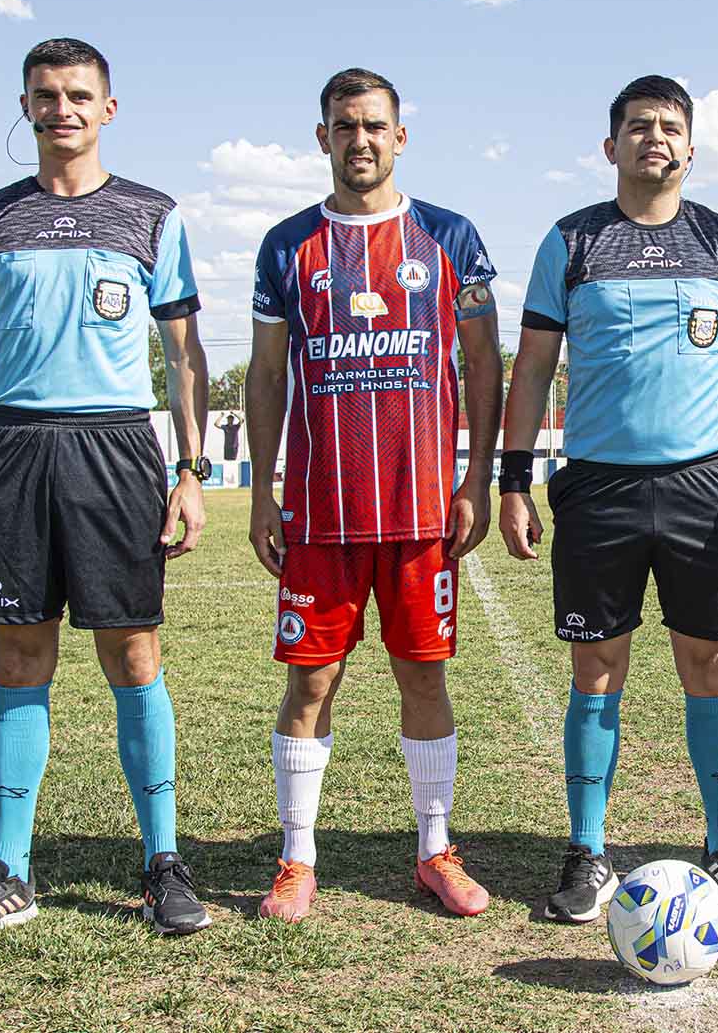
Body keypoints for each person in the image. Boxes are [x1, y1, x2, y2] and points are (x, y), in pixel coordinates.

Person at [0, 37, 212, 943]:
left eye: (79, 95)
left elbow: (185, 360)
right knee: (19, 661)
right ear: (26, 105)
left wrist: (191, 472)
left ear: (108, 109)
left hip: (116, 449)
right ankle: (9, 870)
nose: (61, 109)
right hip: (12, 448)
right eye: (45, 95)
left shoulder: (153, 215)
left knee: (133, 657)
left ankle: (163, 859)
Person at [498, 75, 718, 923]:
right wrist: (513, 478)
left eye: (671, 127)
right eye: (638, 127)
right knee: (596, 669)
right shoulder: (572, 241)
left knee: (709, 665)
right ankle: (588, 848)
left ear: (691, 149)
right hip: (597, 486)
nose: (654, 139)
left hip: (705, 485)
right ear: (612, 147)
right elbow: (531, 369)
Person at [245, 69, 503, 922]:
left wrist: (475, 477)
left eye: (376, 126)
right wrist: (260, 492)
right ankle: (296, 859)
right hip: (321, 514)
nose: (361, 140)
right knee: (310, 683)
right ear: (323, 137)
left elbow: (482, 364)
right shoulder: (287, 246)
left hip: (424, 510)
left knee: (423, 680)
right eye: (344, 126)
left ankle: (435, 849)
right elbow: (267, 373)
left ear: (401, 136)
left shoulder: (450, 237)